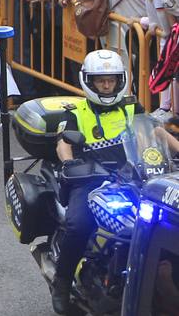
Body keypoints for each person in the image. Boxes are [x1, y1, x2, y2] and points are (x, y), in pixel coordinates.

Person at [51, 51, 179, 313]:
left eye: (111, 80)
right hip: (91, 180)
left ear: (120, 81)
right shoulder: (78, 111)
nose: (107, 86)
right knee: (79, 224)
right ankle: (61, 282)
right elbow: (64, 143)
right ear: (89, 82)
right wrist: (69, 163)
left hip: (135, 176)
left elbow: (155, 131)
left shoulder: (132, 106)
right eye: (101, 81)